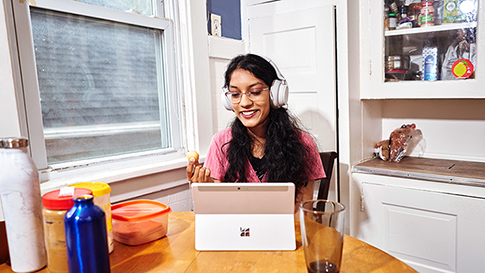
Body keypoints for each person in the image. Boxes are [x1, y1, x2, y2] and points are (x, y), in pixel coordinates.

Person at [186, 53, 325, 213]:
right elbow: (217, 214)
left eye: (255, 92)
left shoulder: (303, 143)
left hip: (284, 234)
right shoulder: (220, 143)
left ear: (275, 94)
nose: (244, 103)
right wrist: (206, 190)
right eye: (236, 94)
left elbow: (301, 216)